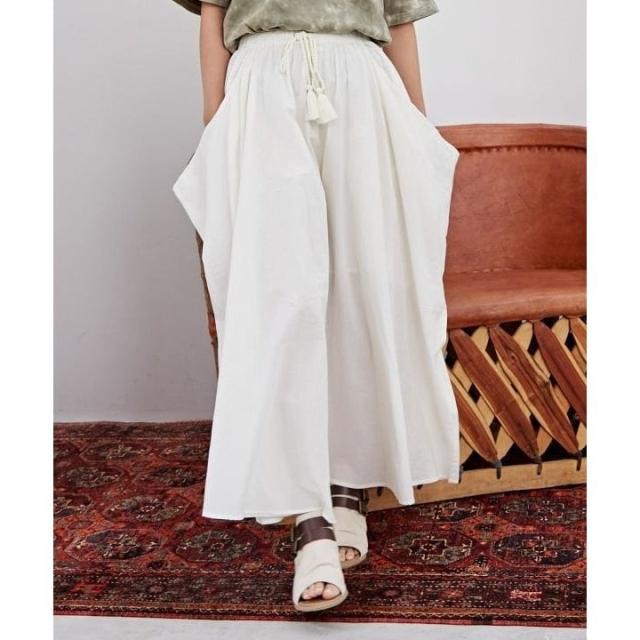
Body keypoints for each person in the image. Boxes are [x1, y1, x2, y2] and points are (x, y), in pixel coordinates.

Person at [170, 0, 461, 612]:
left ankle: (346, 489)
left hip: (363, 88)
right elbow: (213, 9)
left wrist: (417, 127)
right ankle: (311, 519)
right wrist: (215, 121)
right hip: (262, 88)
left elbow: (399, 18)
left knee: (362, 293)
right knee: (278, 302)